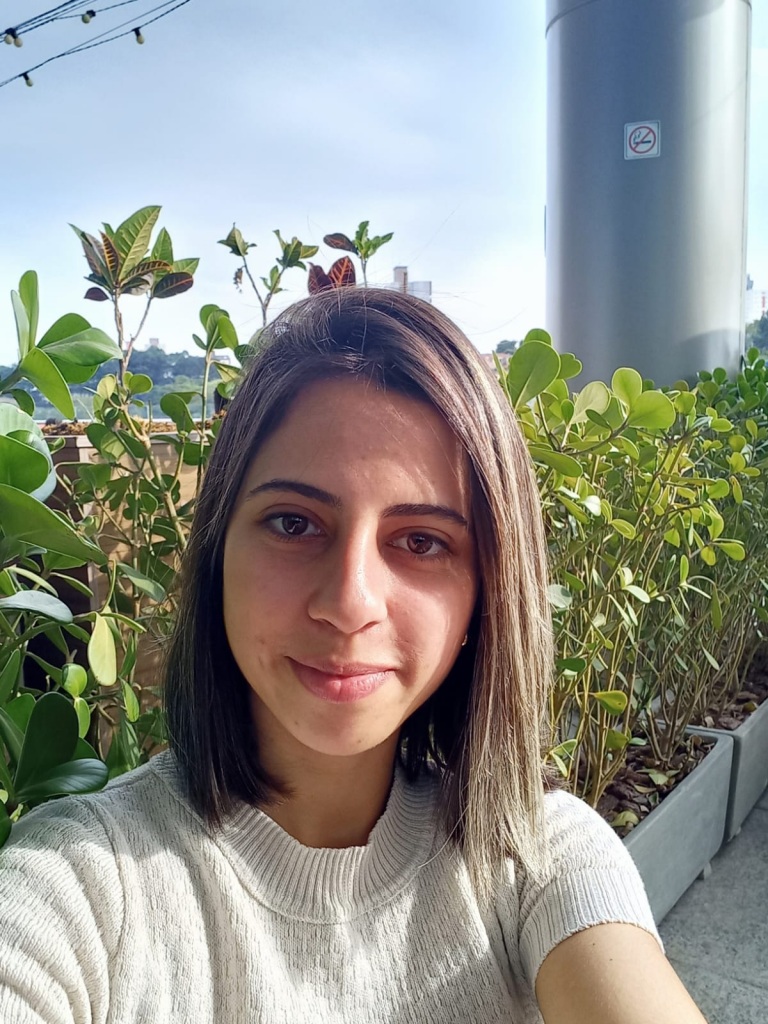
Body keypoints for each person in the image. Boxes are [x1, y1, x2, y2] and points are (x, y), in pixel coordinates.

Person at [0, 288, 706, 1023]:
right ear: (217, 552)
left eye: (422, 541)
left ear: (486, 594)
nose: (349, 602)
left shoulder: (540, 858)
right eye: (293, 523)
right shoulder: (79, 885)